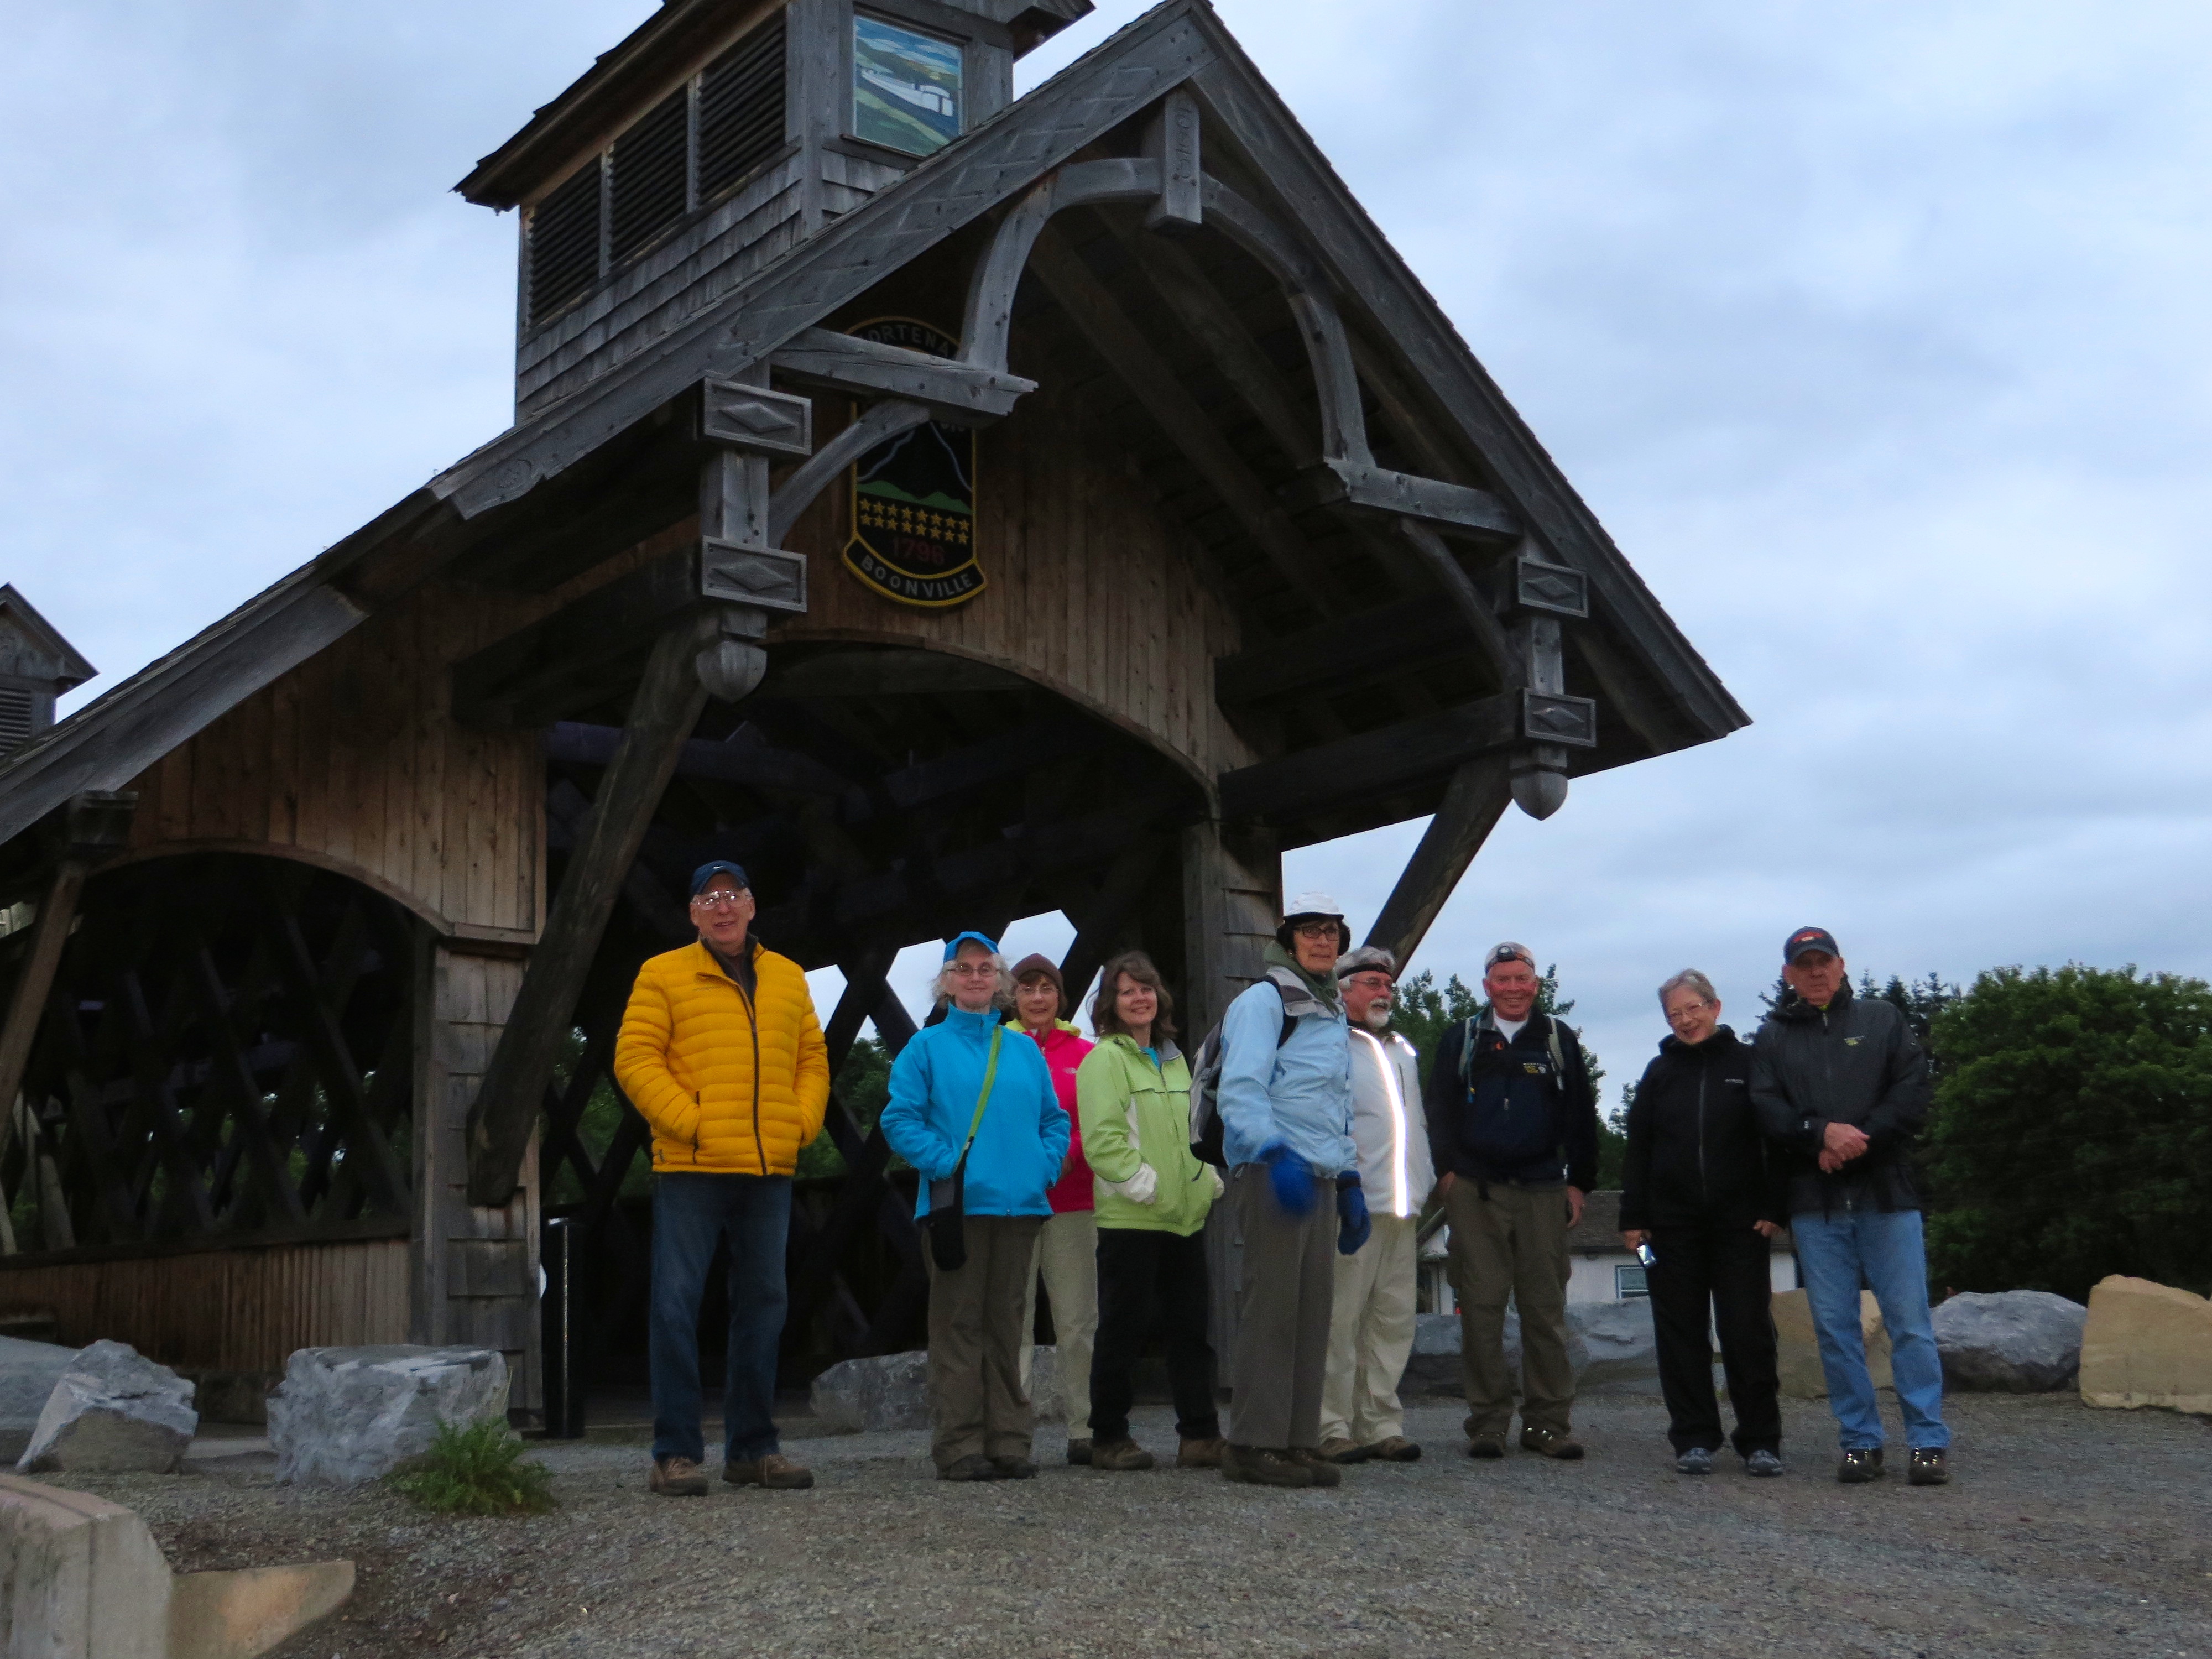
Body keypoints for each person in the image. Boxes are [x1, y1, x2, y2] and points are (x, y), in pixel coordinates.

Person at [613, 860, 830, 1496]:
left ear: (753, 906)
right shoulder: (663, 973)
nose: (722, 906)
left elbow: (812, 1057)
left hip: (768, 1166)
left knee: (765, 1306)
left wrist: (802, 1122)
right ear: (693, 914)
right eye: (708, 898)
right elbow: (634, 1057)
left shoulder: (789, 977)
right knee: (676, 1306)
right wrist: (691, 1122)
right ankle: (675, 1453)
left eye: (732, 895)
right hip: (692, 1165)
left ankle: (753, 1450)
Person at [1752, 927, 1950, 1486]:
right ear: (1789, 974)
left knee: (1909, 1323)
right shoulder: (1773, 1035)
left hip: (1886, 1196)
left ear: (1840, 966)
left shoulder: (1881, 1019)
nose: (1814, 972)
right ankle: (1860, 1441)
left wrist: (1858, 1140)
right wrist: (1818, 1134)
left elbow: (1913, 1089)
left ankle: (1927, 1441)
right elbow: (1767, 1109)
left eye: (1823, 962)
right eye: (1803, 964)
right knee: (1835, 1329)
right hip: (1815, 1205)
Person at [881, 932, 1070, 1481]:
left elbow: (1054, 1120)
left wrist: (1043, 1164)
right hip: (956, 1208)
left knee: (1008, 1325)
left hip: (1020, 1206)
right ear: (945, 982)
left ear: (999, 980)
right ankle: (960, 1445)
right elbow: (898, 1119)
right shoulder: (925, 1048)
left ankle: (1010, 1440)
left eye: (986, 969)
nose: (975, 978)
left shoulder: (1022, 1050)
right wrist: (945, 1163)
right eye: (963, 969)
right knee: (958, 1325)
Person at [1422, 941, 1600, 1462]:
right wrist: (1447, 1174)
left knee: (1545, 1310)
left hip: (1543, 1188)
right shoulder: (1463, 1038)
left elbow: (1581, 1117)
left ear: (1536, 985)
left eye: (1523, 979)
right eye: (1504, 980)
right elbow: (1438, 1108)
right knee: (1480, 1308)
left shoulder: (1556, 1039)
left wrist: (1579, 1183)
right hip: (1475, 1190)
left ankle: (1547, 1423)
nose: (1514, 988)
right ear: (1487, 986)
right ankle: (1488, 1423)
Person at [1214, 891, 1365, 1489]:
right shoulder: (1263, 1001)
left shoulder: (1329, 1012)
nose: (1322, 939)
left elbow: (1338, 1106)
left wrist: (1349, 1176)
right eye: (1310, 930)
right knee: (1271, 1312)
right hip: (1276, 1172)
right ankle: (1252, 1443)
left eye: (1331, 930)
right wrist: (1272, 1151)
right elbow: (1240, 1087)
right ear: (1287, 938)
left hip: (1320, 1177)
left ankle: (1296, 1439)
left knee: (1310, 1315)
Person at [1619, 969, 1787, 1477]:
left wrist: (1774, 1206)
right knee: (1680, 1333)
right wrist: (1634, 1219)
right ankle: (1693, 1438)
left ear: (1715, 1007)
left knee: (1746, 1331)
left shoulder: (1751, 1064)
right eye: (1675, 1013)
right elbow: (1639, 1149)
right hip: (1668, 1232)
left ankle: (1760, 1440)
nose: (1686, 1020)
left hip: (1741, 1225)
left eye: (1693, 1009)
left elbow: (1775, 1139)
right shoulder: (1658, 1072)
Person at [1077, 950, 1226, 1473]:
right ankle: (1109, 1437)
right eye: (1127, 991)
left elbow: (1195, 1130)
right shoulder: (1104, 1061)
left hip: (1186, 1216)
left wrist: (1207, 1181)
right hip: (1133, 1218)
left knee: (1191, 1330)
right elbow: (1103, 1141)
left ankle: (1200, 1435)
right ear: (1110, 1005)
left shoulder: (1176, 1059)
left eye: (1146, 988)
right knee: (1123, 1329)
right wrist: (1148, 1188)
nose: (1140, 998)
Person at [1317, 946, 1435, 1464]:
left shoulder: (1402, 1051)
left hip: (1403, 1207)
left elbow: (1417, 1125)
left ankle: (1380, 1423)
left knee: (1392, 1321)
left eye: (1387, 983)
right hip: (1354, 1204)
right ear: (1342, 988)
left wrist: (1425, 1180)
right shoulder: (1329, 1045)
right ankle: (1329, 1425)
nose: (1383, 991)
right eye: (1371, 982)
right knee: (1339, 1320)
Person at [1006, 953, 1099, 1464]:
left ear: (1060, 997)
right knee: (1013, 1319)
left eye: (1046, 989)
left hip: (1073, 1200)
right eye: (1026, 989)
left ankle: (1084, 1427)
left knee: (1077, 1320)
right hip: (1014, 1205)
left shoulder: (1086, 1055)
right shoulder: (999, 1052)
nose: (1037, 998)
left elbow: (1104, 1119)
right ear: (1013, 998)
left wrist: (1068, 1153)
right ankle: (1012, 1431)